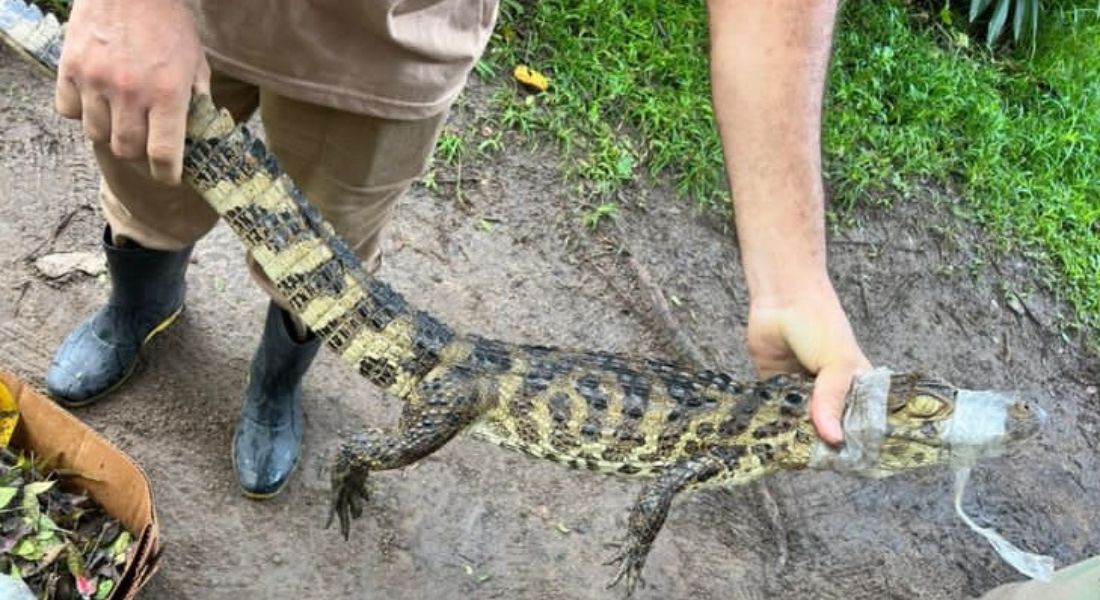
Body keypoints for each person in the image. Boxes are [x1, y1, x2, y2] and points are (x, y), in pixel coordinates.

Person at [44, 0, 868, 499]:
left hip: (398, 42)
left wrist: (791, 277)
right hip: (184, 14)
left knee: (331, 264)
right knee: (145, 181)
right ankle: (137, 306)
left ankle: (275, 384)